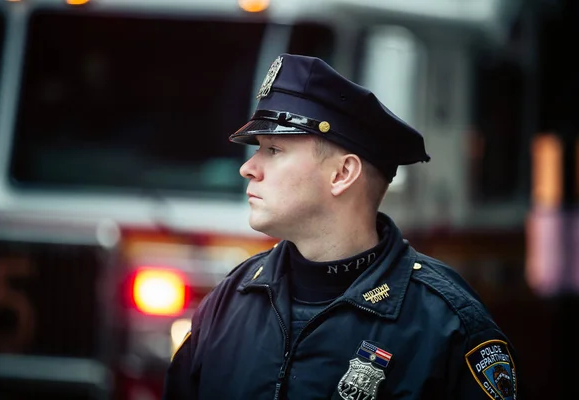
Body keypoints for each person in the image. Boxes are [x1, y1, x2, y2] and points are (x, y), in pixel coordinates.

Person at [162, 53, 518, 399]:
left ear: (342, 174)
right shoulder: (229, 300)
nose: (248, 168)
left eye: (273, 150)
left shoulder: (445, 323)